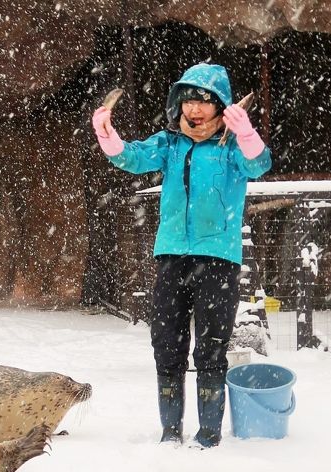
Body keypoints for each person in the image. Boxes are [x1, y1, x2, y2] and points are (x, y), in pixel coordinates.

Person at [92, 63, 272, 447]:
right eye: (188, 99)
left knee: (211, 348)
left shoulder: (231, 147)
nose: (195, 108)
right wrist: (108, 135)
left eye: (204, 101)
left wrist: (246, 132)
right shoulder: (170, 143)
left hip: (218, 259)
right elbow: (133, 158)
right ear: (178, 103)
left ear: (220, 105)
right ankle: (170, 433)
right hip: (172, 256)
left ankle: (208, 435)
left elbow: (259, 164)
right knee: (167, 344)